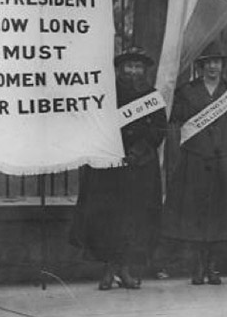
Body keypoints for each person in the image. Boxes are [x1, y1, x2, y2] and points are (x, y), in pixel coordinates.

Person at [70, 47, 167, 290]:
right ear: (119, 69)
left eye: (138, 67)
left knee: (134, 220)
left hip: (140, 167)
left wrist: (137, 152)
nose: (133, 71)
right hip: (109, 167)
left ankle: (122, 270)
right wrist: (114, 151)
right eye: (128, 66)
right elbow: (93, 126)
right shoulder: (105, 94)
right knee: (108, 220)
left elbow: (158, 130)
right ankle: (109, 269)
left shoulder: (152, 96)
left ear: (144, 70)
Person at [162, 42, 227, 285]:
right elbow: (175, 123)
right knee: (195, 212)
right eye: (207, 62)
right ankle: (197, 265)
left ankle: (213, 266)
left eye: (216, 62)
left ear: (222, 66)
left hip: (223, 160)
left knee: (220, 214)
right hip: (195, 158)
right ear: (200, 67)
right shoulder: (186, 92)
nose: (212, 66)